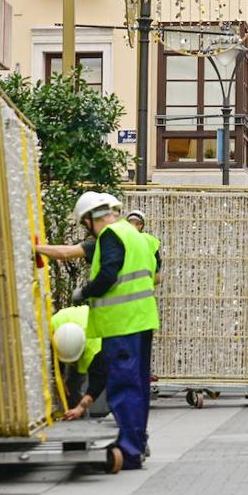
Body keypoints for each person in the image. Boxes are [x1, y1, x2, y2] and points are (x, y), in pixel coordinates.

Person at [71, 191, 159, 471]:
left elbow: (109, 274)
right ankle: (136, 442)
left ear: (90, 219)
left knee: (124, 386)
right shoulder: (134, 234)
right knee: (138, 386)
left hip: (122, 323)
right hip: (142, 319)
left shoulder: (110, 235)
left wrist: (84, 291)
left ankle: (129, 451)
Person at [51, 304, 107, 421]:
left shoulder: (94, 350)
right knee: (67, 385)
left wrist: (80, 408)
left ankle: (78, 416)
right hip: (64, 338)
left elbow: (97, 384)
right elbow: (49, 356)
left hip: (91, 335)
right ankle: (72, 413)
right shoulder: (51, 326)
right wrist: (58, 378)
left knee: (74, 383)